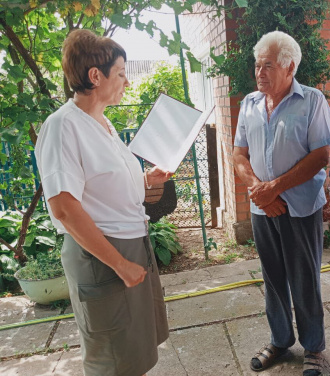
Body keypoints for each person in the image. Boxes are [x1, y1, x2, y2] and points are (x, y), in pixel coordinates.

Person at [34, 29, 171, 376]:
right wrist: (120, 264)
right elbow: (65, 208)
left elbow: (99, 187)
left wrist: (144, 181)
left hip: (129, 246)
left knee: (134, 350)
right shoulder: (62, 127)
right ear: (96, 76)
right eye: (122, 72)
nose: (126, 81)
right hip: (104, 257)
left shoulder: (102, 122)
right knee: (112, 358)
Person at [233, 31, 330, 376]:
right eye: (257, 65)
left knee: (304, 278)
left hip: (300, 206)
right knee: (273, 278)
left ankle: (314, 348)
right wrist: (259, 191)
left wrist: (275, 188)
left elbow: (321, 155)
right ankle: (280, 341)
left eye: (267, 65)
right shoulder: (249, 104)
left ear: (289, 67)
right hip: (261, 209)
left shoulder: (312, 100)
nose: (259, 73)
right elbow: (238, 154)